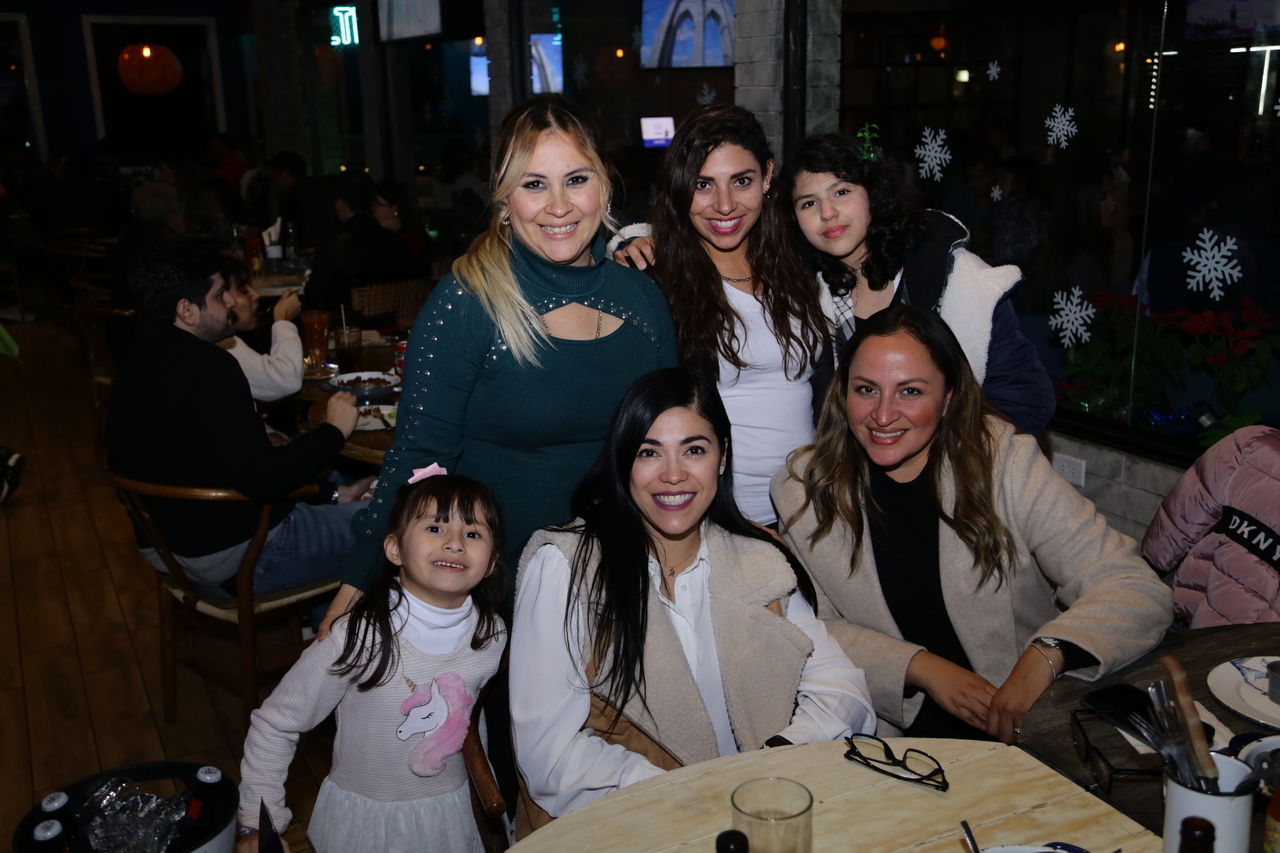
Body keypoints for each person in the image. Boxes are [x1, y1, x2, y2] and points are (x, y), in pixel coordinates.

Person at [320, 96, 678, 634]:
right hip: (500, 589)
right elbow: (417, 457)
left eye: (576, 180)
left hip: (621, 572)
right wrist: (356, 585)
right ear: (506, 197)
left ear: (603, 185)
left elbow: (671, 444)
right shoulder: (466, 303)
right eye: (534, 184)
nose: (559, 205)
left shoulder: (644, 298)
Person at [770, 306, 1171, 744]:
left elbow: (1133, 587)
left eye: (910, 391)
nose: (883, 415)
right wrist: (921, 668)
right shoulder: (804, 489)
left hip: (1028, 723)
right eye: (866, 389)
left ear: (948, 398)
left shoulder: (1006, 465)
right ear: (842, 393)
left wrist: (1046, 656)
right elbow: (813, 628)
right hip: (897, 737)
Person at [511, 367, 875, 835]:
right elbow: (550, 757)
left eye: (694, 450)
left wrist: (775, 759)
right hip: (626, 828)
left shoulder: (756, 559)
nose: (673, 474)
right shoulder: (567, 566)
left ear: (722, 455)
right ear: (623, 461)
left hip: (748, 817)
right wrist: (694, 795)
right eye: (649, 452)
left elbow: (843, 690)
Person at [236, 474, 508, 853]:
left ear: (491, 563)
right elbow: (276, 724)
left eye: (473, 533)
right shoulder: (357, 637)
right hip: (367, 824)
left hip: (456, 814)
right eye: (435, 527)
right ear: (395, 549)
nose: (454, 543)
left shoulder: (491, 634)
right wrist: (256, 823)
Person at [106, 244, 374, 599]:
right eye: (220, 295)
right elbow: (264, 480)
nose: (231, 302)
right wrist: (333, 430)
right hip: (241, 558)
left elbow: (232, 466)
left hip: (172, 550)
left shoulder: (137, 359)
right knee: (405, 521)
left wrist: (333, 494)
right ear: (186, 310)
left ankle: (322, 619)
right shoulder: (207, 368)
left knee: (346, 482)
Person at [613, 105, 828, 526]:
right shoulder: (659, 283)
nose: (725, 205)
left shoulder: (801, 265)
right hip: (719, 520)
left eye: (741, 181)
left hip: (812, 511)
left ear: (767, 176)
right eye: (703, 185)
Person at [778, 133, 1056, 436]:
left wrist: (946, 457)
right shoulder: (802, 297)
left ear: (873, 193)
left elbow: (1024, 401)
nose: (827, 212)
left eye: (841, 191)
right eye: (808, 203)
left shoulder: (956, 279)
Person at [1142, 425, 1280, 627]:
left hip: (1206, 621)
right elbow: (1186, 509)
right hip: (1231, 623)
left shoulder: (1254, 444)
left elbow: (1185, 512)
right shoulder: (1253, 445)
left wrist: (1151, 567)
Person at [303, 173, 424, 326]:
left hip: (350, 331)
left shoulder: (333, 248)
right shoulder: (401, 243)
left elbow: (314, 303)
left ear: (340, 203)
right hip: (399, 327)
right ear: (372, 205)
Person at [217, 255, 304, 402]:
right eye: (243, 290)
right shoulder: (221, 343)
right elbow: (287, 380)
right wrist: (281, 319)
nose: (256, 295)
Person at [373, 178, 433, 266]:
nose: (373, 209)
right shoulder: (377, 233)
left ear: (394, 207)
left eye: (378, 205)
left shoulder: (410, 239)